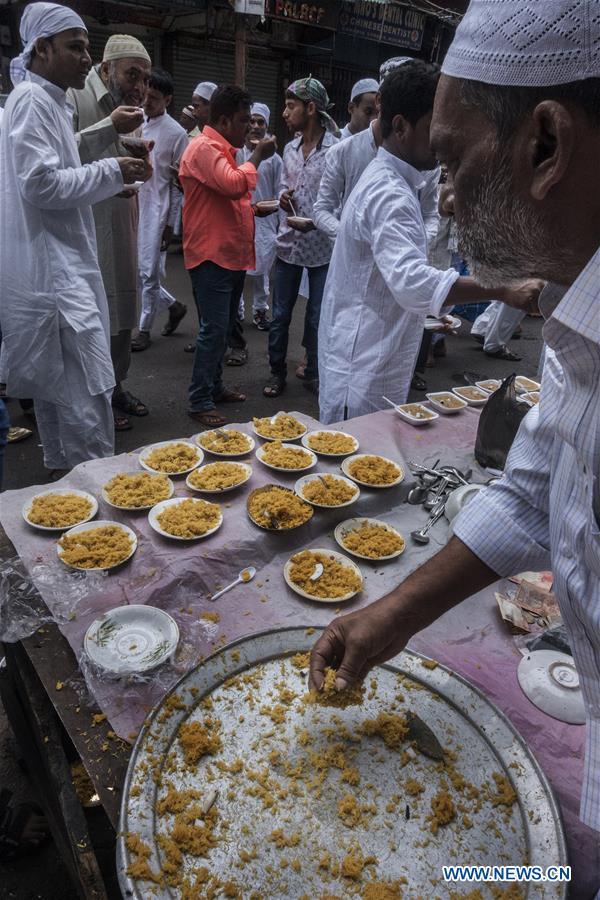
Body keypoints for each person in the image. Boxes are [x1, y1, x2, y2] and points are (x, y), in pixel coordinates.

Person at [310, 0, 600, 843]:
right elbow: (531, 493)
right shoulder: (573, 314)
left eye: (453, 159)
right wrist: (394, 614)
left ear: (545, 145)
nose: (445, 197)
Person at [317, 61, 541, 424]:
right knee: (357, 449)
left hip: (371, 355)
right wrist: (502, 288)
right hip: (363, 367)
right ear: (400, 126)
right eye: (432, 128)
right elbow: (413, 284)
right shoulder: (389, 192)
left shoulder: (399, 181)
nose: (442, 139)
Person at [0, 2, 149, 475]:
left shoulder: (50, 101)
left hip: (60, 267)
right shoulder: (32, 101)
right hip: (57, 278)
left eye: (87, 47)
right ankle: (92, 497)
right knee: (86, 396)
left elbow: (62, 165)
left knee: (63, 395)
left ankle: (65, 491)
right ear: (42, 48)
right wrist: (110, 171)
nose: (87, 58)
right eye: (76, 47)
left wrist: (108, 176)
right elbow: (40, 184)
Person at [180, 84, 276, 428]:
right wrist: (257, 156)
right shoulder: (203, 148)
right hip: (212, 256)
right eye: (242, 120)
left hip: (229, 254)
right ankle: (199, 399)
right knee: (214, 330)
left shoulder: (222, 149)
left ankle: (214, 387)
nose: (249, 127)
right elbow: (234, 185)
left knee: (221, 330)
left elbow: (226, 198)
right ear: (222, 121)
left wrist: (253, 210)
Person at [69, 33, 151, 432]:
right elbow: (59, 159)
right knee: (92, 315)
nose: (140, 87)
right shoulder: (75, 97)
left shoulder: (131, 108)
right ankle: (93, 399)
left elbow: (128, 170)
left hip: (122, 221)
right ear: (106, 69)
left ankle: (116, 386)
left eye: (145, 79)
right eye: (132, 75)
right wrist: (109, 128)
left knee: (122, 312)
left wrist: (138, 162)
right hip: (85, 229)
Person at [263, 77, 339, 399]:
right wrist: (283, 197)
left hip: (321, 248)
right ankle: (276, 372)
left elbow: (341, 199)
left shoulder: (335, 151)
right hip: (288, 245)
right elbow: (284, 184)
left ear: (310, 108)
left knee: (317, 316)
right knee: (280, 315)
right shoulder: (290, 149)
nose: (284, 113)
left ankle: (315, 372)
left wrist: (320, 223)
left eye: (290, 106)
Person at [313, 57, 440, 245]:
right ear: (380, 100)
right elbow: (322, 210)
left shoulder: (426, 159)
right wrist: (354, 239)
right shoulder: (344, 152)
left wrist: (413, 243)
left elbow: (430, 216)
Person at [131, 68, 188, 351]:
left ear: (167, 99)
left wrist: (170, 226)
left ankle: (143, 329)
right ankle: (174, 306)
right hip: (131, 201)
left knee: (148, 273)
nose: (147, 102)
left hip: (157, 209)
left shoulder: (177, 134)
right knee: (135, 270)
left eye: (154, 98)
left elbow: (179, 185)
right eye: (145, 95)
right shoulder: (135, 120)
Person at [235, 102, 283, 332]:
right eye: (251, 121)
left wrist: (275, 209)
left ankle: (260, 310)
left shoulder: (274, 159)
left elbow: (280, 189)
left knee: (261, 270)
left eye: (260, 122)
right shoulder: (236, 153)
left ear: (266, 126)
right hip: (238, 220)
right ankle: (236, 311)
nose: (255, 126)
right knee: (236, 269)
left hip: (265, 222)